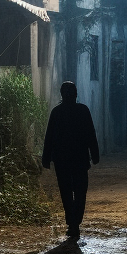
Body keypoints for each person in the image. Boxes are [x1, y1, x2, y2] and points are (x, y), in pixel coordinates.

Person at [41, 82, 99, 240]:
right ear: (76, 94)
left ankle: (72, 222)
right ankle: (75, 222)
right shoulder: (82, 110)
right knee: (80, 191)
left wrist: (46, 158)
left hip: (62, 160)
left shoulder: (57, 112)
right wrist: (95, 155)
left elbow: (49, 137)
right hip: (79, 159)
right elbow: (90, 134)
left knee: (66, 191)